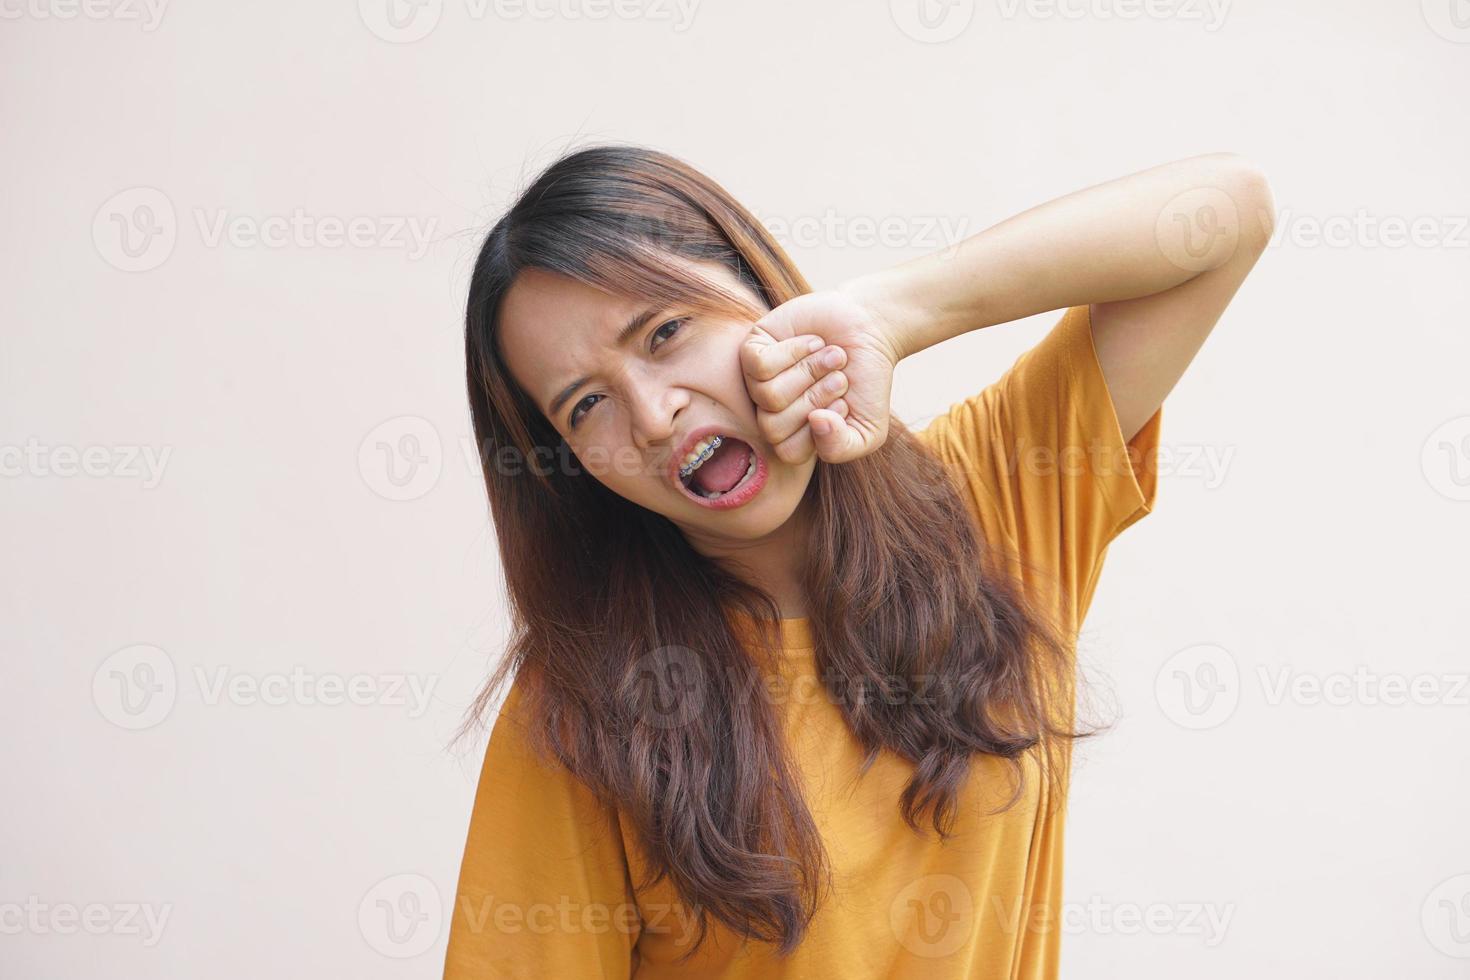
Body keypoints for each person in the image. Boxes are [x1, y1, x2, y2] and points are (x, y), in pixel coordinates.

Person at [443, 144, 1273, 978]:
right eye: (585, 405)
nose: (652, 417)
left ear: (762, 296)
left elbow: (1227, 211)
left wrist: (892, 314)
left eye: (665, 332)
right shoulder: (582, 707)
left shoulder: (996, 492)